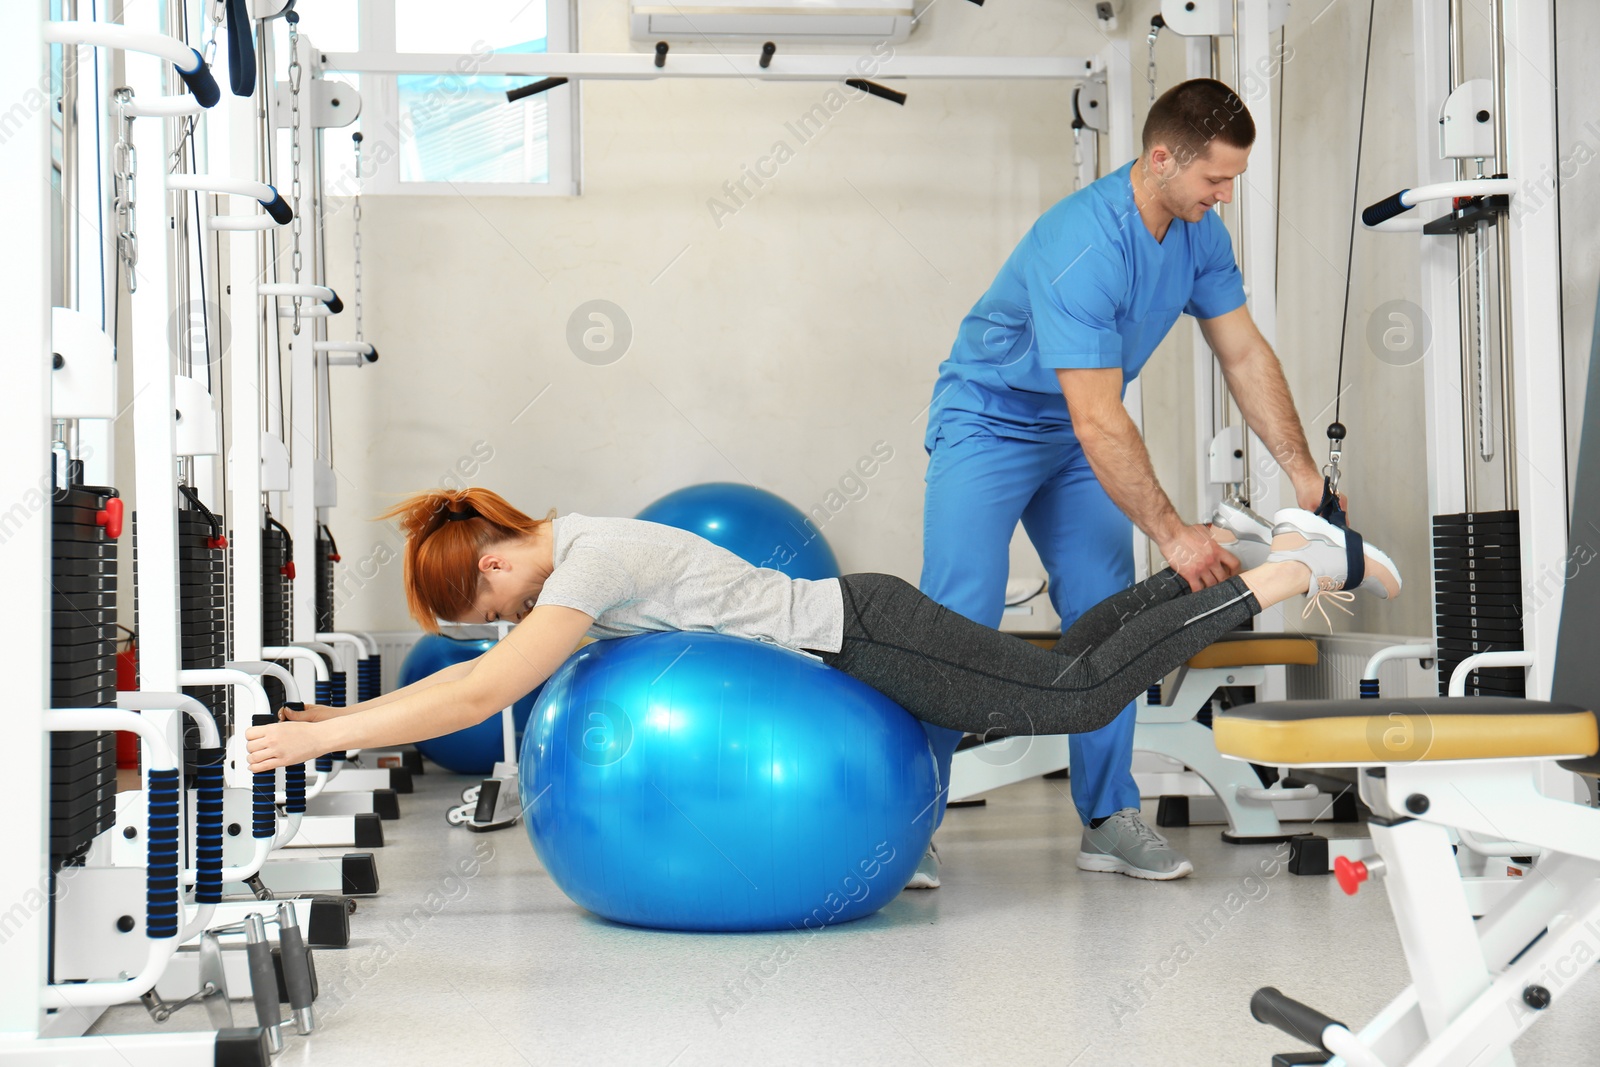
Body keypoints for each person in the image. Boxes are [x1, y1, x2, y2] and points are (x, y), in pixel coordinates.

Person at [246, 490, 1400, 801]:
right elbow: (494, 670)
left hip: (863, 632)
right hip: (862, 621)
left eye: (489, 603)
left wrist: (334, 736)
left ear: (494, 560)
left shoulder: (585, 562)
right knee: (1067, 666)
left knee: (1076, 699)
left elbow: (487, 691)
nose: (503, 623)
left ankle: (1288, 571)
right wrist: (323, 724)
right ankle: (1248, 553)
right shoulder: (588, 548)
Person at [917, 77, 1342, 885]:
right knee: (955, 612)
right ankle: (907, 822)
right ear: (1159, 159)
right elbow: (1097, 417)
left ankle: (1109, 816)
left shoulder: (1198, 234)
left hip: (1080, 433)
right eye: (1215, 179)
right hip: (991, 418)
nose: (1224, 196)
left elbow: (1244, 353)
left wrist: (1300, 469)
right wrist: (1176, 534)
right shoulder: (1081, 243)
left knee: (1108, 618)